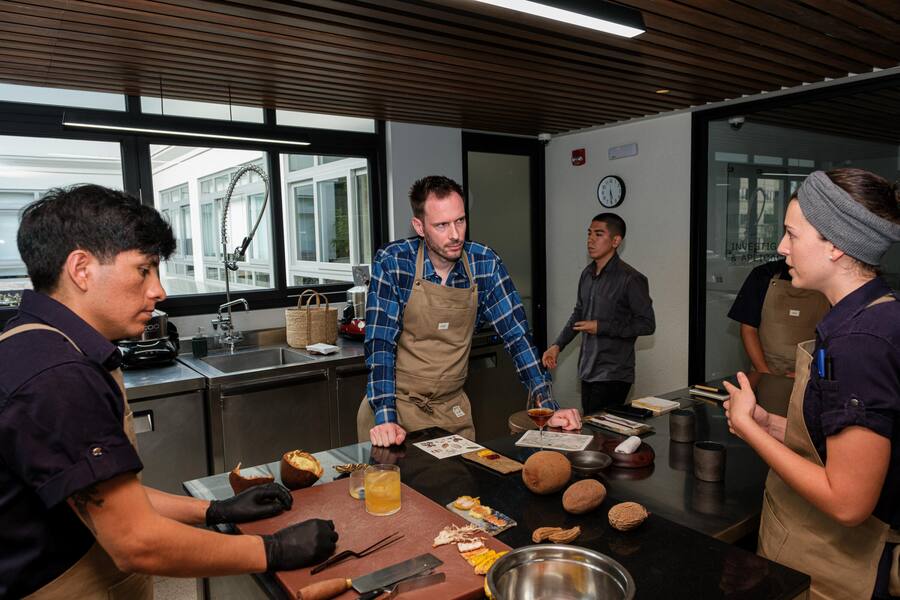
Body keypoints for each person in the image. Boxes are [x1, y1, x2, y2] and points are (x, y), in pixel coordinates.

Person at [0, 185, 337, 599]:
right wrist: (273, 549)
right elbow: (136, 539)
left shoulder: (32, 340)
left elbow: (103, 495)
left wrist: (213, 511)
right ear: (81, 268)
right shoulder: (59, 374)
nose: (160, 291)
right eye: (144, 269)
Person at [723, 169, 900, 599]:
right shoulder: (874, 313)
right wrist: (771, 425)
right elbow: (848, 449)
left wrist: (748, 430)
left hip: (846, 568)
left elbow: (848, 501)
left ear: (836, 244)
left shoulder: (859, 344)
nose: (782, 248)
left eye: (792, 234)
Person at [358, 175, 581, 447]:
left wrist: (547, 406)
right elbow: (381, 345)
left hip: (451, 409)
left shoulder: (484, 263)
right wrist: (385, 418)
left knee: (462, 488)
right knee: (396, 489)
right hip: (395, 410)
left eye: (460, 221)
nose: (455, 235)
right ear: (419, 226)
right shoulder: (394, 262)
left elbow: (517, 336)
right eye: (441, 225)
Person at [542, 213, 655, 415]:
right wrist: (557, 345)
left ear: (615, 241)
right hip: (587, 370)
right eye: (589, 233)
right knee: (593, 432)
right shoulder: (586, 274)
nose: (590, 239)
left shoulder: (632, 278)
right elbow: (578, 315)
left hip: (614, 373)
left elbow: (647, 324)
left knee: (602, 435)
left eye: (598, 234)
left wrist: (601, 326)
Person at [728, 257, 830, 377]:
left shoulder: (829, 279)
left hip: (812, 375)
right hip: (765, 370)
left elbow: (836, 336)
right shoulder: (763, 274)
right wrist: (764, 372)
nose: (784, 247)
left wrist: (810, 371)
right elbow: (748, 329)